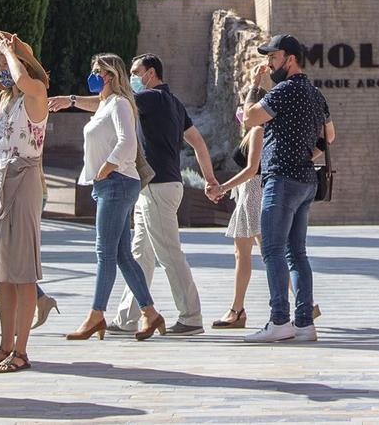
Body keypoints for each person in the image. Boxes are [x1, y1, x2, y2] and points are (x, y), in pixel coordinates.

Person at [55, 52, 163, 343]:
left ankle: (96, 315)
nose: (92, 74)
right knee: (122, 255)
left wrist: (107, 166)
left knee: (104, 253)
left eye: (97, 70)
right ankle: (151, 313)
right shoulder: (106, 103)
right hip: (110, 184)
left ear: (111, 76)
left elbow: (127, 141)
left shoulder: (119, 104)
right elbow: (97, 105)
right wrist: (70, 100)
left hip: (116, 182)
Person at [113, 53, 218, 336]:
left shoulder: (151, 98)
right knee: (140, 253)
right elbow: (197, 142)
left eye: (135, 72)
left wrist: (72, 101)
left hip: (158, 187)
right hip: (156, 187)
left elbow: (114, 105)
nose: (132, 77)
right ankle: (127, 317)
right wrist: (209, 179)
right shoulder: (174, 103)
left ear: (151, 73)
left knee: (168, 253)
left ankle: (191, 317)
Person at [0, 31, 55, 374]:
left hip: (23, 178)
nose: (3, 71)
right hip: (2, 178)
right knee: (4, 271)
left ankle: (20, 349)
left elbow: (24, 80)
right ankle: (6, 344)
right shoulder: (8, 101)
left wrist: (11, 53)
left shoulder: (37, 93)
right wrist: (6, 57)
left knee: (20, 271)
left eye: (6, 63)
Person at [241, 34, 334, 343]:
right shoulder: (315, 93)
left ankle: (279, 320)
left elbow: (250, 119)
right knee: (297, 253)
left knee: (271, 249)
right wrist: (309, 152)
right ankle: (305, 324)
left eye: (273, 57)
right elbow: (329, 136)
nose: (269, 63)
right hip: (306, 181)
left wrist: (255, 87)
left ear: (290, 59)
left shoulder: (283, 91)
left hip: (281, 179)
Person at [206, 53, 274, 329]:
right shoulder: (252, 130)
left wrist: (222, 187)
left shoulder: (258, 131)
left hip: (254, 194)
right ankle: (237, 309)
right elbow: (252, 99)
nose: (243, 114)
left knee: (268, 254)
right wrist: (256, 81)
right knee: (249, 254)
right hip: (247, 195)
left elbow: (251, 170)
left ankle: (238, 310)